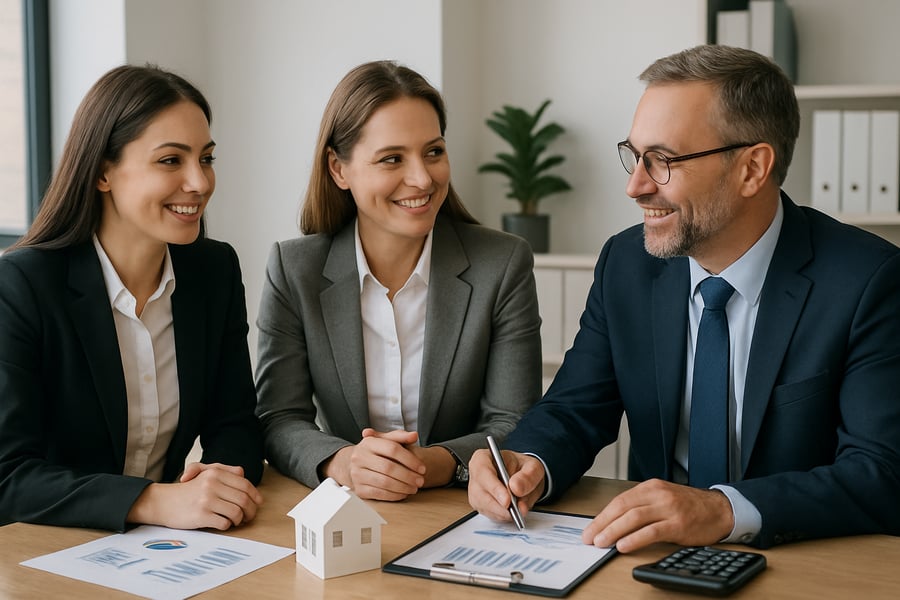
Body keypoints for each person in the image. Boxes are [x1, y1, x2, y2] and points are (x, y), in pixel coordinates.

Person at [468, 44, 900, 550]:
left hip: (795, 558)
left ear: (752, 168)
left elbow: (882, 472)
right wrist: (528, 465)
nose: (635, 187)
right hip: (650, 557)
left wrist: (721, 510)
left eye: (663, 160)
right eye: (634, 156)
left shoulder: (868, 280)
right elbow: (575, 409)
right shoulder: (625, 264)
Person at [255, 60, 542, 501]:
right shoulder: (295, 270)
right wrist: (344, 462)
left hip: (463, 508)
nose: (423, 178)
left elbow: (514, 420)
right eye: (392, 158)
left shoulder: (502, 263)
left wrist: (433, 464)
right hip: (345, 510)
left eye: (434, 151)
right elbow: (279, 417)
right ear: (338, 169)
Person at [0, 65, 265, 531]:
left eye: (206, 158)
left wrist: (218, 479)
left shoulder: (213, 271)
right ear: (104, 172)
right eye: (170, 161)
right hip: (45, 554)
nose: (200, 183)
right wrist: (152, 501)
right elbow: (9, 477)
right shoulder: (21, 286)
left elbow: (236, 425)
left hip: (169, 551)